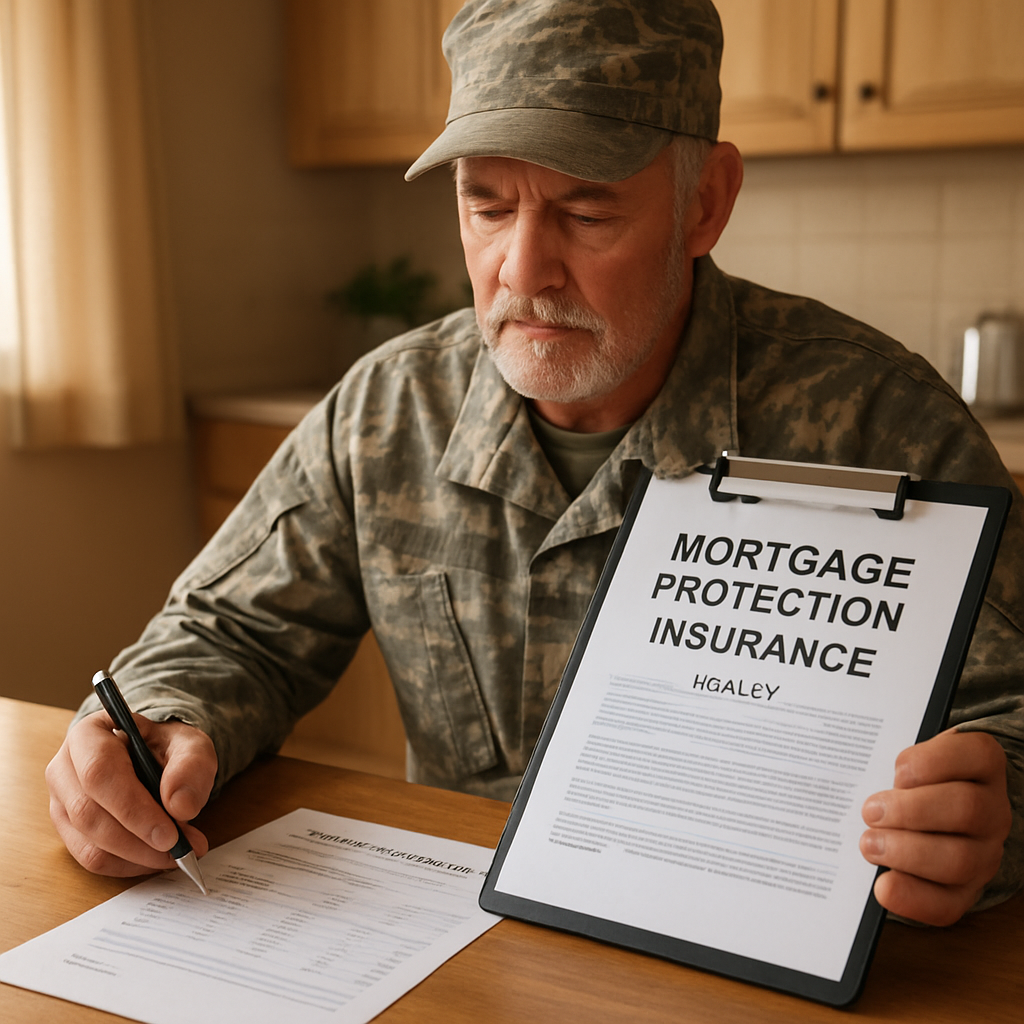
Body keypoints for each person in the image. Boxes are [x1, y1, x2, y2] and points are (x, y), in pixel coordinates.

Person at [47, 0, 1020, 930]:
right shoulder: (390, 409)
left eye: (586, 213)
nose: (521, 269)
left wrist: (995, 819)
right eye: (485, 205)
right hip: (454, 944)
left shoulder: (878, 423)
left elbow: (1006, 719)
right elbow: (232, 632)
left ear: (706, 203)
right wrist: (161, 727)